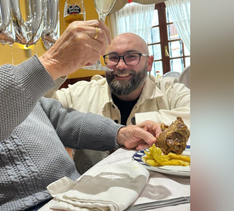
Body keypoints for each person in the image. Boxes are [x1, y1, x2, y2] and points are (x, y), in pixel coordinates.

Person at [0, 8, 162, 211]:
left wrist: (119, 133)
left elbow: (62, 119)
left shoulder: (10, 77)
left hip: (73, 196)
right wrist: (52, 62)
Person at [49, 32, 190, 174]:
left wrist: (140, 123)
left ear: (149, 63)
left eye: (131, 57)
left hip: (161, 187)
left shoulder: (170, 90)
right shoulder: (81, 93)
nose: (121, 65)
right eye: (113, 58)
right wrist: (57, 66)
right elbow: (39, 108)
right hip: (95, 190)